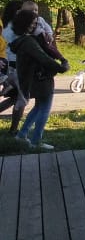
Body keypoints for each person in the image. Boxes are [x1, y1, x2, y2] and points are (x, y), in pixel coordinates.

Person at [10, 9, 69, 150]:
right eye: (32, 23)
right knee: (44, 109)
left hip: (34, 79)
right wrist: (62, 67)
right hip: (41, 79)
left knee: (38, 107)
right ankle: (36, 141)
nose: (34, 26)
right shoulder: (28, 41)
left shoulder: (21, 40)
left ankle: (22, 134)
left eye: (35, 23)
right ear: (24, 23)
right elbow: (43, 58)